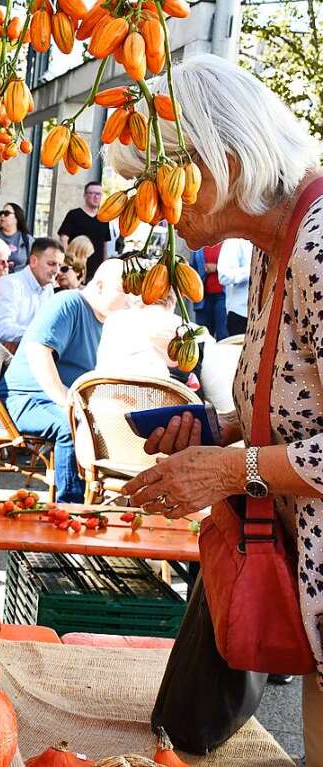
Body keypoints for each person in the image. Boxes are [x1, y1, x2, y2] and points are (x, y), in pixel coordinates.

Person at [106, 54, 323, 759]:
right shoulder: (272, 245)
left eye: (159, 179)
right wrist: (218, 428)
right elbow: (301, 403)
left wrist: (230, 471)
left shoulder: (316, 249)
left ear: (224, 158)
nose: (154, 205)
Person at [0, 259, 127, 502]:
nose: (130, 300)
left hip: (50, 401)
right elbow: (38, 349)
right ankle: (69, 508)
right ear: (100, 286)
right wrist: (64, 399)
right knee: (73, 425)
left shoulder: (105, 320)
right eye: (125, 291)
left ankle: (99, 498)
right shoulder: (69, 302)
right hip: (23, 400)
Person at [0, 237, 64, 347]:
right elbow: (3, 329)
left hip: (15, 355)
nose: (56, 271)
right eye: (51, 264)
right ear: (33, 261)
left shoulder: (48, 289)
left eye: (59, 265)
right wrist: (41, 335)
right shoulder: (11, 284)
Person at [96, 289, 183, 380]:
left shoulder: (113, 319)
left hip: (104, 388)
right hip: (151, 389)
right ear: (173, 301)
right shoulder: (175, 324)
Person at [58, 181, 111, 278]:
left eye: (98, 194)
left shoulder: (104, 218)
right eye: (92, 193)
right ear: (85, 195)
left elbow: (105, 245)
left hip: (96, 269)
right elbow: (63, 238)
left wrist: (105, 267)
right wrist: (68, 261)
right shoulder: (74, 215)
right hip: (75, 269)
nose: (96, 197)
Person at [216, 238, 251, 337]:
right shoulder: (234, 240)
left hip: (264, 313)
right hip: (241, 314)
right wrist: (254, 270)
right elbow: (224, 275)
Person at [194, 241, 228, 339]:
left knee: (223, 335)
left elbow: (234, 267)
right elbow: (193, 266)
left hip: (223, 295)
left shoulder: (228, 243)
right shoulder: (199, 244)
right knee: (202, 337)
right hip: (203, 298)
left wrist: (217, 268)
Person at [0, 202, 33, 273]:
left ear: (17, 218)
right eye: (1, 213)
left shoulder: (27, 240)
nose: (2, 216)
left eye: (6, 213)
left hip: (19, 281)